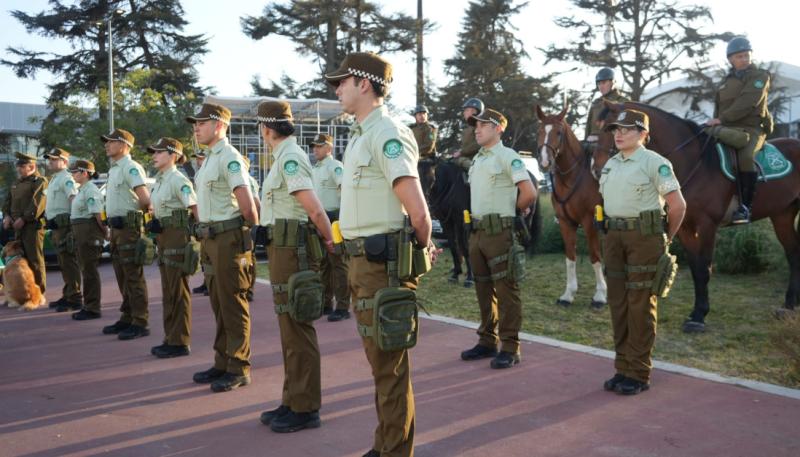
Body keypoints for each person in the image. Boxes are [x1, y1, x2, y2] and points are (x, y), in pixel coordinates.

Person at [325, 51, 439, 457]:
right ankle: (386, 444)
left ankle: (395, 451)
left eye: (341, 82)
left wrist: (421, 246)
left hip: (380, 265)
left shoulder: (386, 132)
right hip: (360, 263)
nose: (336, 89)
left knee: (389, 367)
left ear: (364, 84)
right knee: (379, 364)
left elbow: (417, 209)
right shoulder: (361, 134)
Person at [255, 100, 335, 433]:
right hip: (281, 248)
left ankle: (306, 408)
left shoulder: (289, 158)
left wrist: (332, 243)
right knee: (289, 327)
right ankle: (292, 399)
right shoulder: (283, 157)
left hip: (293, 250)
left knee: (298, 327)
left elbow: (314, 210)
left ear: (266, 129)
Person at [598, 109, 686, 395]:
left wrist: (664, 240)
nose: (619, 134)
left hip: (644, 237)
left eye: (626, 129)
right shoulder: (611, 164)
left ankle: (638, 372)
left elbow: (677, 206)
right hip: (613, 237)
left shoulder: (655, 163)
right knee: (618, 302)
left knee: (639, 303)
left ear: (644, 134)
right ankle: (622, 367)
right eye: (615, 129)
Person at [187, 103, 258, 393]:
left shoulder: (229, 158)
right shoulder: (209, 159)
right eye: (195, 124)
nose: (196, 128)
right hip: (211, 239)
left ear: (218, 125)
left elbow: (248, 206)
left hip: (228, 239)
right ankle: (222, 361)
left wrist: (246, 235)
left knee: (233, 303)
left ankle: (239, 367)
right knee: (218, 301)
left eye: (201, 123)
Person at [459, 109, 537, 369]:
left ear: (498, 128)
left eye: (483, 125)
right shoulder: (479, 159)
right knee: (483, 288)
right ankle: (487, 340)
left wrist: (512, 211)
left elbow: (528, 192)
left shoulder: (508, 156)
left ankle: (511, 346)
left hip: (499, 232)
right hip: (478, 232)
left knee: (506, 290)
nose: (477, 129)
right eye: (475, 125)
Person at [706, 36, 771, 224]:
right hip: (727, 128)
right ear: (731, 60)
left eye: (746, 55)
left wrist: (721, 120)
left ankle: (744, 208)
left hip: (752, 129)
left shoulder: (760, 76)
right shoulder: (726, 83)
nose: (744, 59)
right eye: (739, 56)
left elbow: (748, 103)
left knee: (745, 157)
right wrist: (715, 124)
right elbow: (718, 110)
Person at [146, 137, 199, 358]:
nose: (154, 156)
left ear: (173, 155)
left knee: (177, 291)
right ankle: (170, 338)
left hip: (177, 238)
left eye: (159, 152)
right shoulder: (160, 180)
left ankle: (180, 341)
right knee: (168, 291)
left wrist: (199, 235)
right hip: (164, 238)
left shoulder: (178, 180)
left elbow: (194, 207)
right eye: (154, 152)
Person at [100, 128, 152, 341]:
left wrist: (133, 218)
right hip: (117, 230)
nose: (107, 145)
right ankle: (128, 315)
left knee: (132, 275)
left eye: (111, 142)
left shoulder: (131, 167)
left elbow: (145, 199)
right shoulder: (114, 169)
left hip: (128, 229)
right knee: (122, 274)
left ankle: (140, 321)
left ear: (123, 145)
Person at [310, 133, 350, 321]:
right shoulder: (315, 169)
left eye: (319, 146)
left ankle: (342, 307)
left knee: (339, 264)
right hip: (319, 218)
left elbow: (345, 189)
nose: (315, 149)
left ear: (329, 148)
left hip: (334, 219)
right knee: (324, 264)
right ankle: (326, 304)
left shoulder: (335, 166)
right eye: (314, 146)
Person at [2, 152, 47, 294]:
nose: (18, 169)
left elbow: (37, 203)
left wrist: (24, 219)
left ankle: (38, 292)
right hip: (17, 227)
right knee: (19, 261)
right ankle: (23, 291)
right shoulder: (17, 182)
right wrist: (7, 216)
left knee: (34, 260)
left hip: (32, 227)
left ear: (31, 166)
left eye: (22, 166)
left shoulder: (40, 181)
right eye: (18, 166)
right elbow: (7, 202)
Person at [44, 148, 82, 312]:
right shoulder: (55, 178)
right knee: (63, 262)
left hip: (65, 226)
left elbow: (74, 200)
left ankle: (74, 298)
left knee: (69, 262)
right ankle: (68, 294)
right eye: (49, 159)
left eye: (54, 159)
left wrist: (73, 227)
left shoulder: (66, 178)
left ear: (64, 162)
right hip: (56, 226)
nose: (50, 161)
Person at [68, 160, 105, 321]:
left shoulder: (90, 190)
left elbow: (98, 214)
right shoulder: (82, 190)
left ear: (85, 173)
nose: (73, 174)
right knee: (86, 270)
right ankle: (89, 305)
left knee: (90, 271)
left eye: (75, 172)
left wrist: (105, 231)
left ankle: (93, 307)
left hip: (88, 233)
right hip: (81, 233)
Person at [585, 67, 629, 146]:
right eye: (599, 83)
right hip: (592, 144)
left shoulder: (623, 102)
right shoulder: (596, 103)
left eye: (604, 82)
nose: (601, 86)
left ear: (613, 82)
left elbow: (627, 127)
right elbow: (588, 127)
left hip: (613, 145)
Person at [191, 150, 210, 296]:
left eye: (201, 158)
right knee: (205, 256)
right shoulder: (199, 174)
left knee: (212, 256)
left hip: (210, 220)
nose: (198, 160)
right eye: (197, 158)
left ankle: (212, 283)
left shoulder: (210, 170)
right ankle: (207, 282)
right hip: (202, 219)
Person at [243, 155, 260, 303]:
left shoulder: (248, 180)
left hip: (247, 224)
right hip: (240, 224)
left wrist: (256, 225)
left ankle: (250, 289)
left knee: (250, 258)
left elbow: (255, 202)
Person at [454, 97, 484, 170]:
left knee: (459, 160)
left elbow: (479, 144)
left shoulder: (481, 125)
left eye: (467, 110)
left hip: (478, 158)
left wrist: (461, 152)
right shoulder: (467, 128)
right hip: (467, 156)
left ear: (474, 111)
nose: (464, 112)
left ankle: (475, 169)